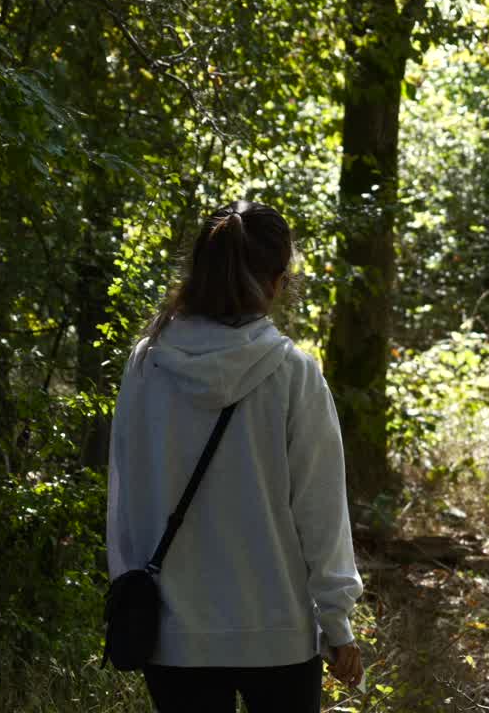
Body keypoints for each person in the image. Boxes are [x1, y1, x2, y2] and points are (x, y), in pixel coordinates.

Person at [106, 200, 365, 712]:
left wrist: (130, 592)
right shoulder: (294, 374)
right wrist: (337, 623)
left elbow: (125, 497)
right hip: (279, 633)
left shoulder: (146, 365)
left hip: (174, 635)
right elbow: (321, 512)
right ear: (273, 282)